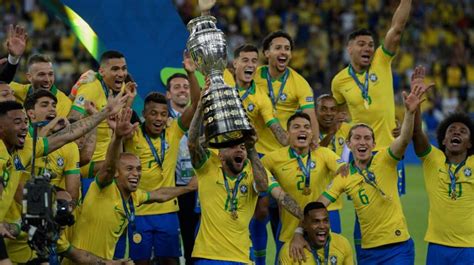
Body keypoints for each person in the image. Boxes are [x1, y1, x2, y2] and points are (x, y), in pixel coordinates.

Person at [304, 75, 429, 264]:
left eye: (367, 138)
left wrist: (410, 113)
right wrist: (299, 231)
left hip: (399, 247)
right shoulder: (344, 175)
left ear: (374, 143)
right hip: (368, 251)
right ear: (349, 143)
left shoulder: (385, 159)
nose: (362, 142)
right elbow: (319, 205)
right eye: (357, 138)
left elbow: (403, 140)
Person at [0, 93, 127, 263]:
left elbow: (68, 134)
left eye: (25, 122)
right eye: (17, 122)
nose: (24, 127)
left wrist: (105, 112)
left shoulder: (25, 148)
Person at [330, 0, 412, 256]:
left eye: (371, 45)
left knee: (387, 209)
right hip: (361, 152)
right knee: (360, 207)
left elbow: (396, 29)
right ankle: (363, 258)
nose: (368, 48)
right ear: (349, 48)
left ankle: (394, 253)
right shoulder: (339, 81)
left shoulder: (381, 61)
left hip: (388, 151)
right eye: (362, 44)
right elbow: (338, 117)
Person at [64, 108, 197, 261]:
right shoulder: (103, 187)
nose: (136, 173)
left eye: (139, 169)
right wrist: (118, 137)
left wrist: (189, 188)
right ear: (116, 173)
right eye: (129, 169)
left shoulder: (134, 196)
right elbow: (108, 166)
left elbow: (160, 194)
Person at [188, 88, 303, 264]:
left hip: (242, 257)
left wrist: (252, 149)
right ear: (220, 154)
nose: (239, 149)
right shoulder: (208, 166)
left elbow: (266, 188)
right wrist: (199, 109)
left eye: (242, 146)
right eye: (233, 146)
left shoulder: (253, 171)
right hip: (208, 257)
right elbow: (193, 143)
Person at [123, 66, 199, 264]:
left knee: (170, 261)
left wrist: (191, 73)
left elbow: (196, 103)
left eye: (163, 114)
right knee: (140, 262)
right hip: (138, 210)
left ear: (168, 116)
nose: (158, 118)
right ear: (144, 115)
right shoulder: (133, 134)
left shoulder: (173, 130)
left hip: (167, 211)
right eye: (153, 113)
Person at [230, 43, 289, 265]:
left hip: (254, 156)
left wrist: (293, 142)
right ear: (234, 63)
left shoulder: (261, 97)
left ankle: (260, 262)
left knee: (262, 210)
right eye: (245, 60)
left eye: (254, 61)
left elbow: (274, 127)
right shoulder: (224, 85)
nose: (250, 65)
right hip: (223, 157)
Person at [411, 66, 474, 265]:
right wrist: (416, 105)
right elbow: (417, 135)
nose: (456, 132)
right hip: (437, 246)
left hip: (469, 247)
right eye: (451, 130)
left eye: (463, 131)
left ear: (470, 143)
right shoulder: (433, 159)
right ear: (444, 140)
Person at [262, 112, 347, 254]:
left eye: (307, 127)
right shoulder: (273, 159)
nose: (302, 130)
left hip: (319, 233)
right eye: (296, 127)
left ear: (312, 134)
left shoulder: (323, 153)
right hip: (288, 234)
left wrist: (324, 200)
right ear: (287, 134)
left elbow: (345, 171)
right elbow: (256, 170)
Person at [68, 50, 136, 180]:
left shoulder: (122, 88)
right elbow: (72, 120)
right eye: (115, 69)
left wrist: (129, 102)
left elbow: (116, 121)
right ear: (102, 72)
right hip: (88, 162)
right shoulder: (90, 88)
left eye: (124, 69)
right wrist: (95, 117)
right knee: (125, 168)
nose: (121, 74)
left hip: (109, 156)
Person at [165, 52, 201, 265]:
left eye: (186, 86)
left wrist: (192, 73)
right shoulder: (160, 118)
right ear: (168, 94)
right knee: (169, 244)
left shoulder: (201, 118)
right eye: (177, 87)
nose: (182, 90)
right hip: (172, 186)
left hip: (198, 186)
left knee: (193, 239)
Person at [254, 31, 318, 145]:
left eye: (287, 48)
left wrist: (314, 143)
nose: (283, 52)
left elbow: (310, 117)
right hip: (256, 148)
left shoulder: (300, 83)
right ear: (266, 53)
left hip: (285, 150)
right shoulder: (253, 77)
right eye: (278, 48)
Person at [24, 90, 81, 204]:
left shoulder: (69, 146)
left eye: (54, 105)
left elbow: (73, 195)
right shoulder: (21, 139)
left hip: (53, 211)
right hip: (20, 212)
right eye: (45, 105)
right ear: (31, 113)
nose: (52, 109)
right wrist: (48, 128)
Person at [315, 94, 352, 233]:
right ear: (315, 111)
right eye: (323, 109)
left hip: (333, 202)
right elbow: (315, 154)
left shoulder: (346, 129)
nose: (329, 113)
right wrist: (331, 133)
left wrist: (395, 131)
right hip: (309, 199)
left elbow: (368, 137)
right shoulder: (308, 130)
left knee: (333, 249)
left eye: (332, 109)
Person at [279, 202, 353, 265]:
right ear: (304, 224)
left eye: (325, 221)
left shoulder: (342, 244)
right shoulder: (290, 251)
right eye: (316, 221)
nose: (322, 226)